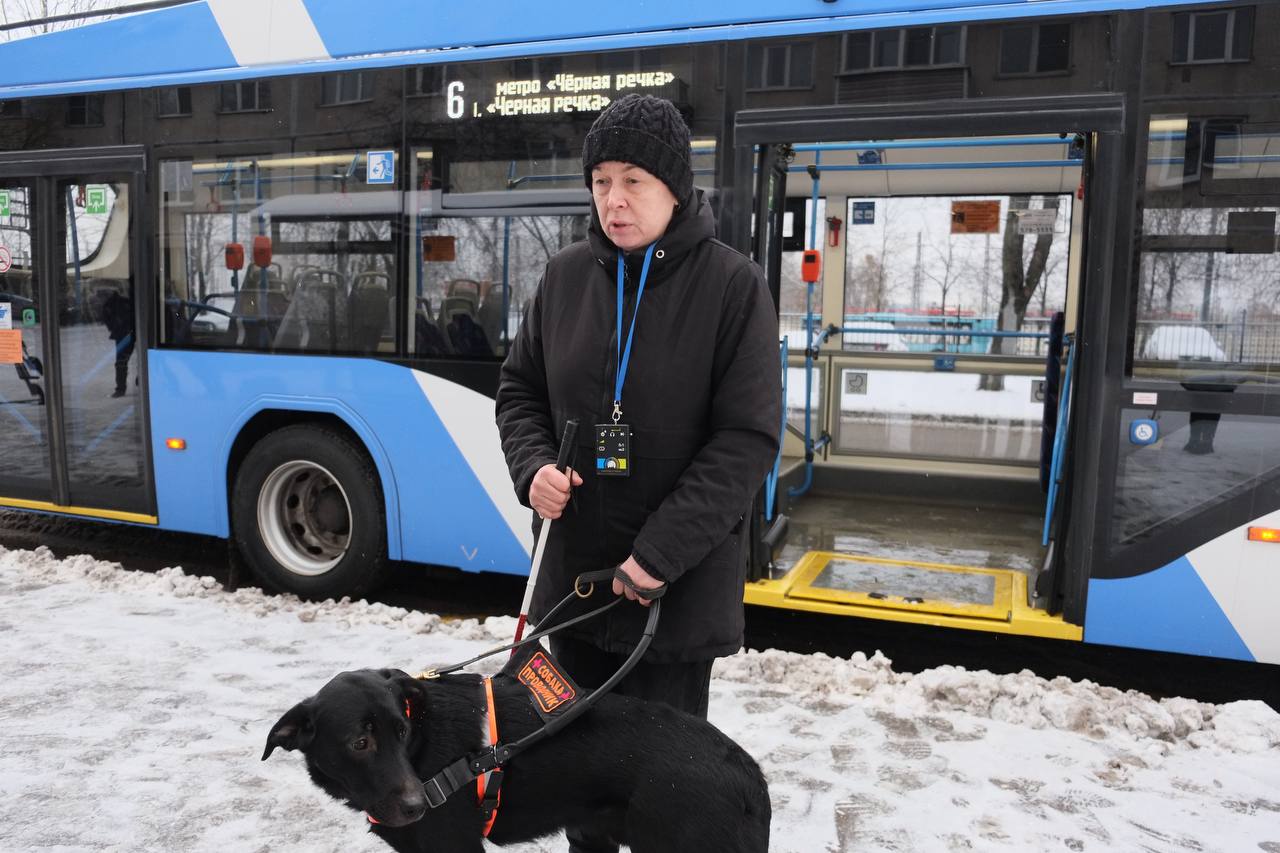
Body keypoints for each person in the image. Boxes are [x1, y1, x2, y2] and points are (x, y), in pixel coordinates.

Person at [495, 94, 781, 853]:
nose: (613, 201)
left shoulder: (733, 287)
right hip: (578, 591)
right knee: (579, 784)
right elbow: (519, 390)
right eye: (600, 182)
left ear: (675, 189)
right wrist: (532, 469)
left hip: (671, 604)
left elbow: (746, 440)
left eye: (633, 181)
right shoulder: (562, 278)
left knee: (669, 793)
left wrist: (659, 554)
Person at [100, 289, 135, 398]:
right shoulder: (122, 302)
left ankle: (120, 389)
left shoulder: (110, 305)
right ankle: (121, 388)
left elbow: (107, 319)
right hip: (129, 332)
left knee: (121, 361)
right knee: (122, 361)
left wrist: (114, 328)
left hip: (123, 334)